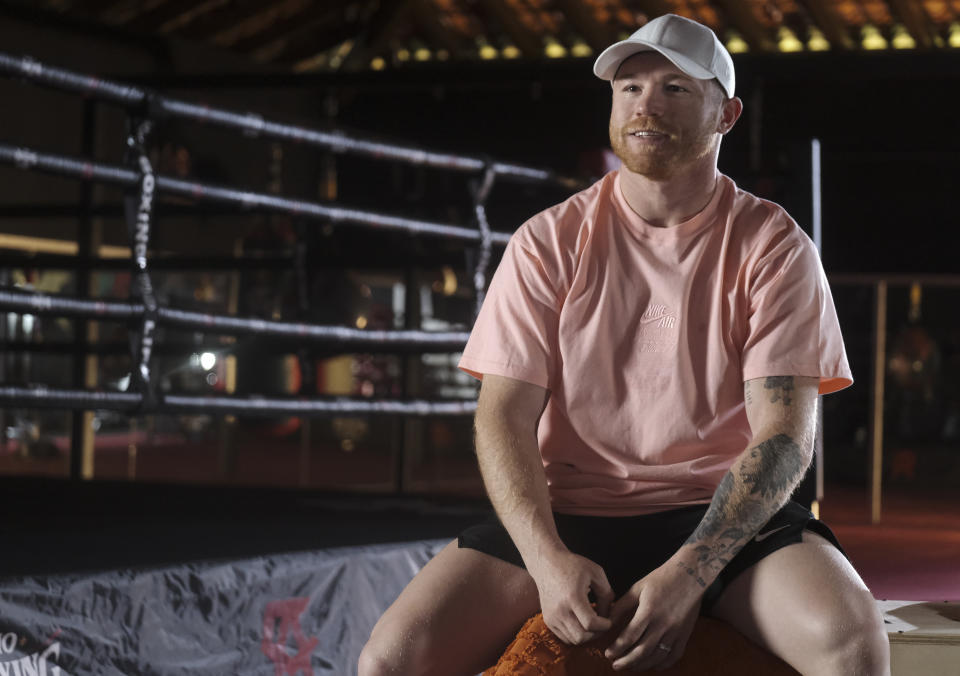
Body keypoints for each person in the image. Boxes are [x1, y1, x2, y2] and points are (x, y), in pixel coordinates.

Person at [358, 13, 890, 676]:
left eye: (674, 88)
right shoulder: (548, 241)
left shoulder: (771, 245)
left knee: (853, 641)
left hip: (720, 511)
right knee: (391, 659)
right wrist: (547, 560)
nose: (645, 105)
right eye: (629, 87)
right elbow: (502, 416)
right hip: (572, 508)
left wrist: (692, 574)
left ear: (726, 114)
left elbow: (783, 436)